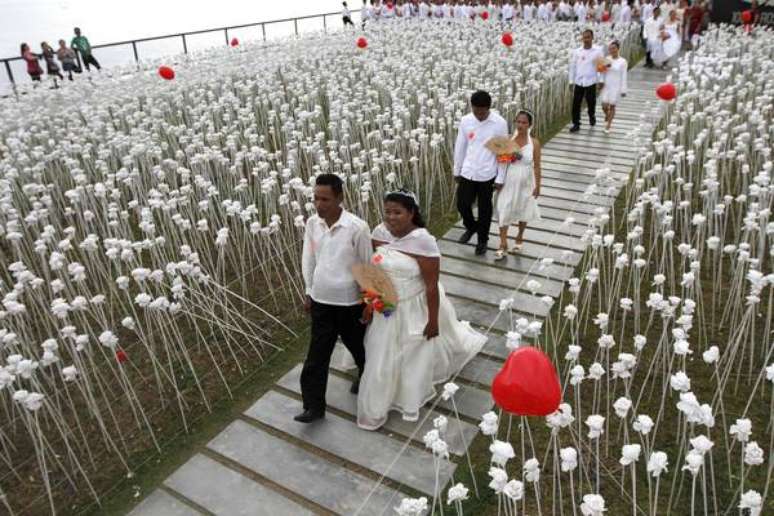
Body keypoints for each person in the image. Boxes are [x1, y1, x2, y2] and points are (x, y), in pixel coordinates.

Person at [357, 191, 486, 430]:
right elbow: (375, 271)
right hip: (386, 304)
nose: (391, 217)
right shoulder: (379, 233)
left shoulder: (423, 241)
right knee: (382, 353)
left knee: (413, 354)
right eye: (388, 211)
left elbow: (431, 285)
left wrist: (433, 320)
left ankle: (407, 394)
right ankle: (378, 402)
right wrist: (369, 302)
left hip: (415, 305)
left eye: (397, 212)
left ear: (411, 213)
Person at [296, 173, 372, 423]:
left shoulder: (357, 227)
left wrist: (369, 301)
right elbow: (309, 257)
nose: (319, 204)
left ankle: (368, 380)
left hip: (350, 303)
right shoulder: (312, 224)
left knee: (360, 349)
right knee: (316, 357)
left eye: (325, 199)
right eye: (316, 198)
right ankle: (313, 407)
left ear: (339, 198)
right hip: (321, 301)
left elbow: (366, 264)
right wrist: (309, 290)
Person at [453, 90, 509, 256]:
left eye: (482, 112)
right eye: (476, 111)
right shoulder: (466, 121)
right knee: (462, 204)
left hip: (488, 173)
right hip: (468, 171)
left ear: (488, 108)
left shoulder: (499, 123)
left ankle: (482, 241)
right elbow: (460, 146)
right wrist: (457, 170)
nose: (479, 115)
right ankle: (471, 227)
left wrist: (500, 177)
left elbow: (503, 152)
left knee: (485, 209)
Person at [493, 110, 542, 260]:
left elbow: (537, 165)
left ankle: (519, 237)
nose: (520, 125)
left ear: (529, 125)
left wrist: (538, 185)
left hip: (526, 179)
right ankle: (503, 243)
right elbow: (498, 158)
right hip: (509, 177)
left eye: (524, 122)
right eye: (518, 122)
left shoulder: (534, 143)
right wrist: (508, 155)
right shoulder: (508, 139)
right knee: (504, 207)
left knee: (523, 208)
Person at [568, 29, 603, 133]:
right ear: (582, 38)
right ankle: (576, 123)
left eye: (588, 37)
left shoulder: (597, 51)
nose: (586, 39)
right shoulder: (577, 51)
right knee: (576, 104)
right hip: (579, 81)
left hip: (591, 81)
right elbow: (573, 67)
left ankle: (591, 115)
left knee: (591, 102)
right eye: (584, 37)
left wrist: (601, 80)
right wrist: (571, 81)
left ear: (592, 38)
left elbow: (601, 66)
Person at [599, 40, 628, 134]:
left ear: (618, 49)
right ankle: (607, 114)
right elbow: (602, 72)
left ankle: (608, 126)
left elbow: (624, 76)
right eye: (610, 48)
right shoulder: (606, 59)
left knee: (612, 105)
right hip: (607, 84)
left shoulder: (623, 61)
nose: (612, 50)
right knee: (604, 105)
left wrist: (623, 89)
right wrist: (601, 82)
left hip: (616, 85)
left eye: (614, 48)